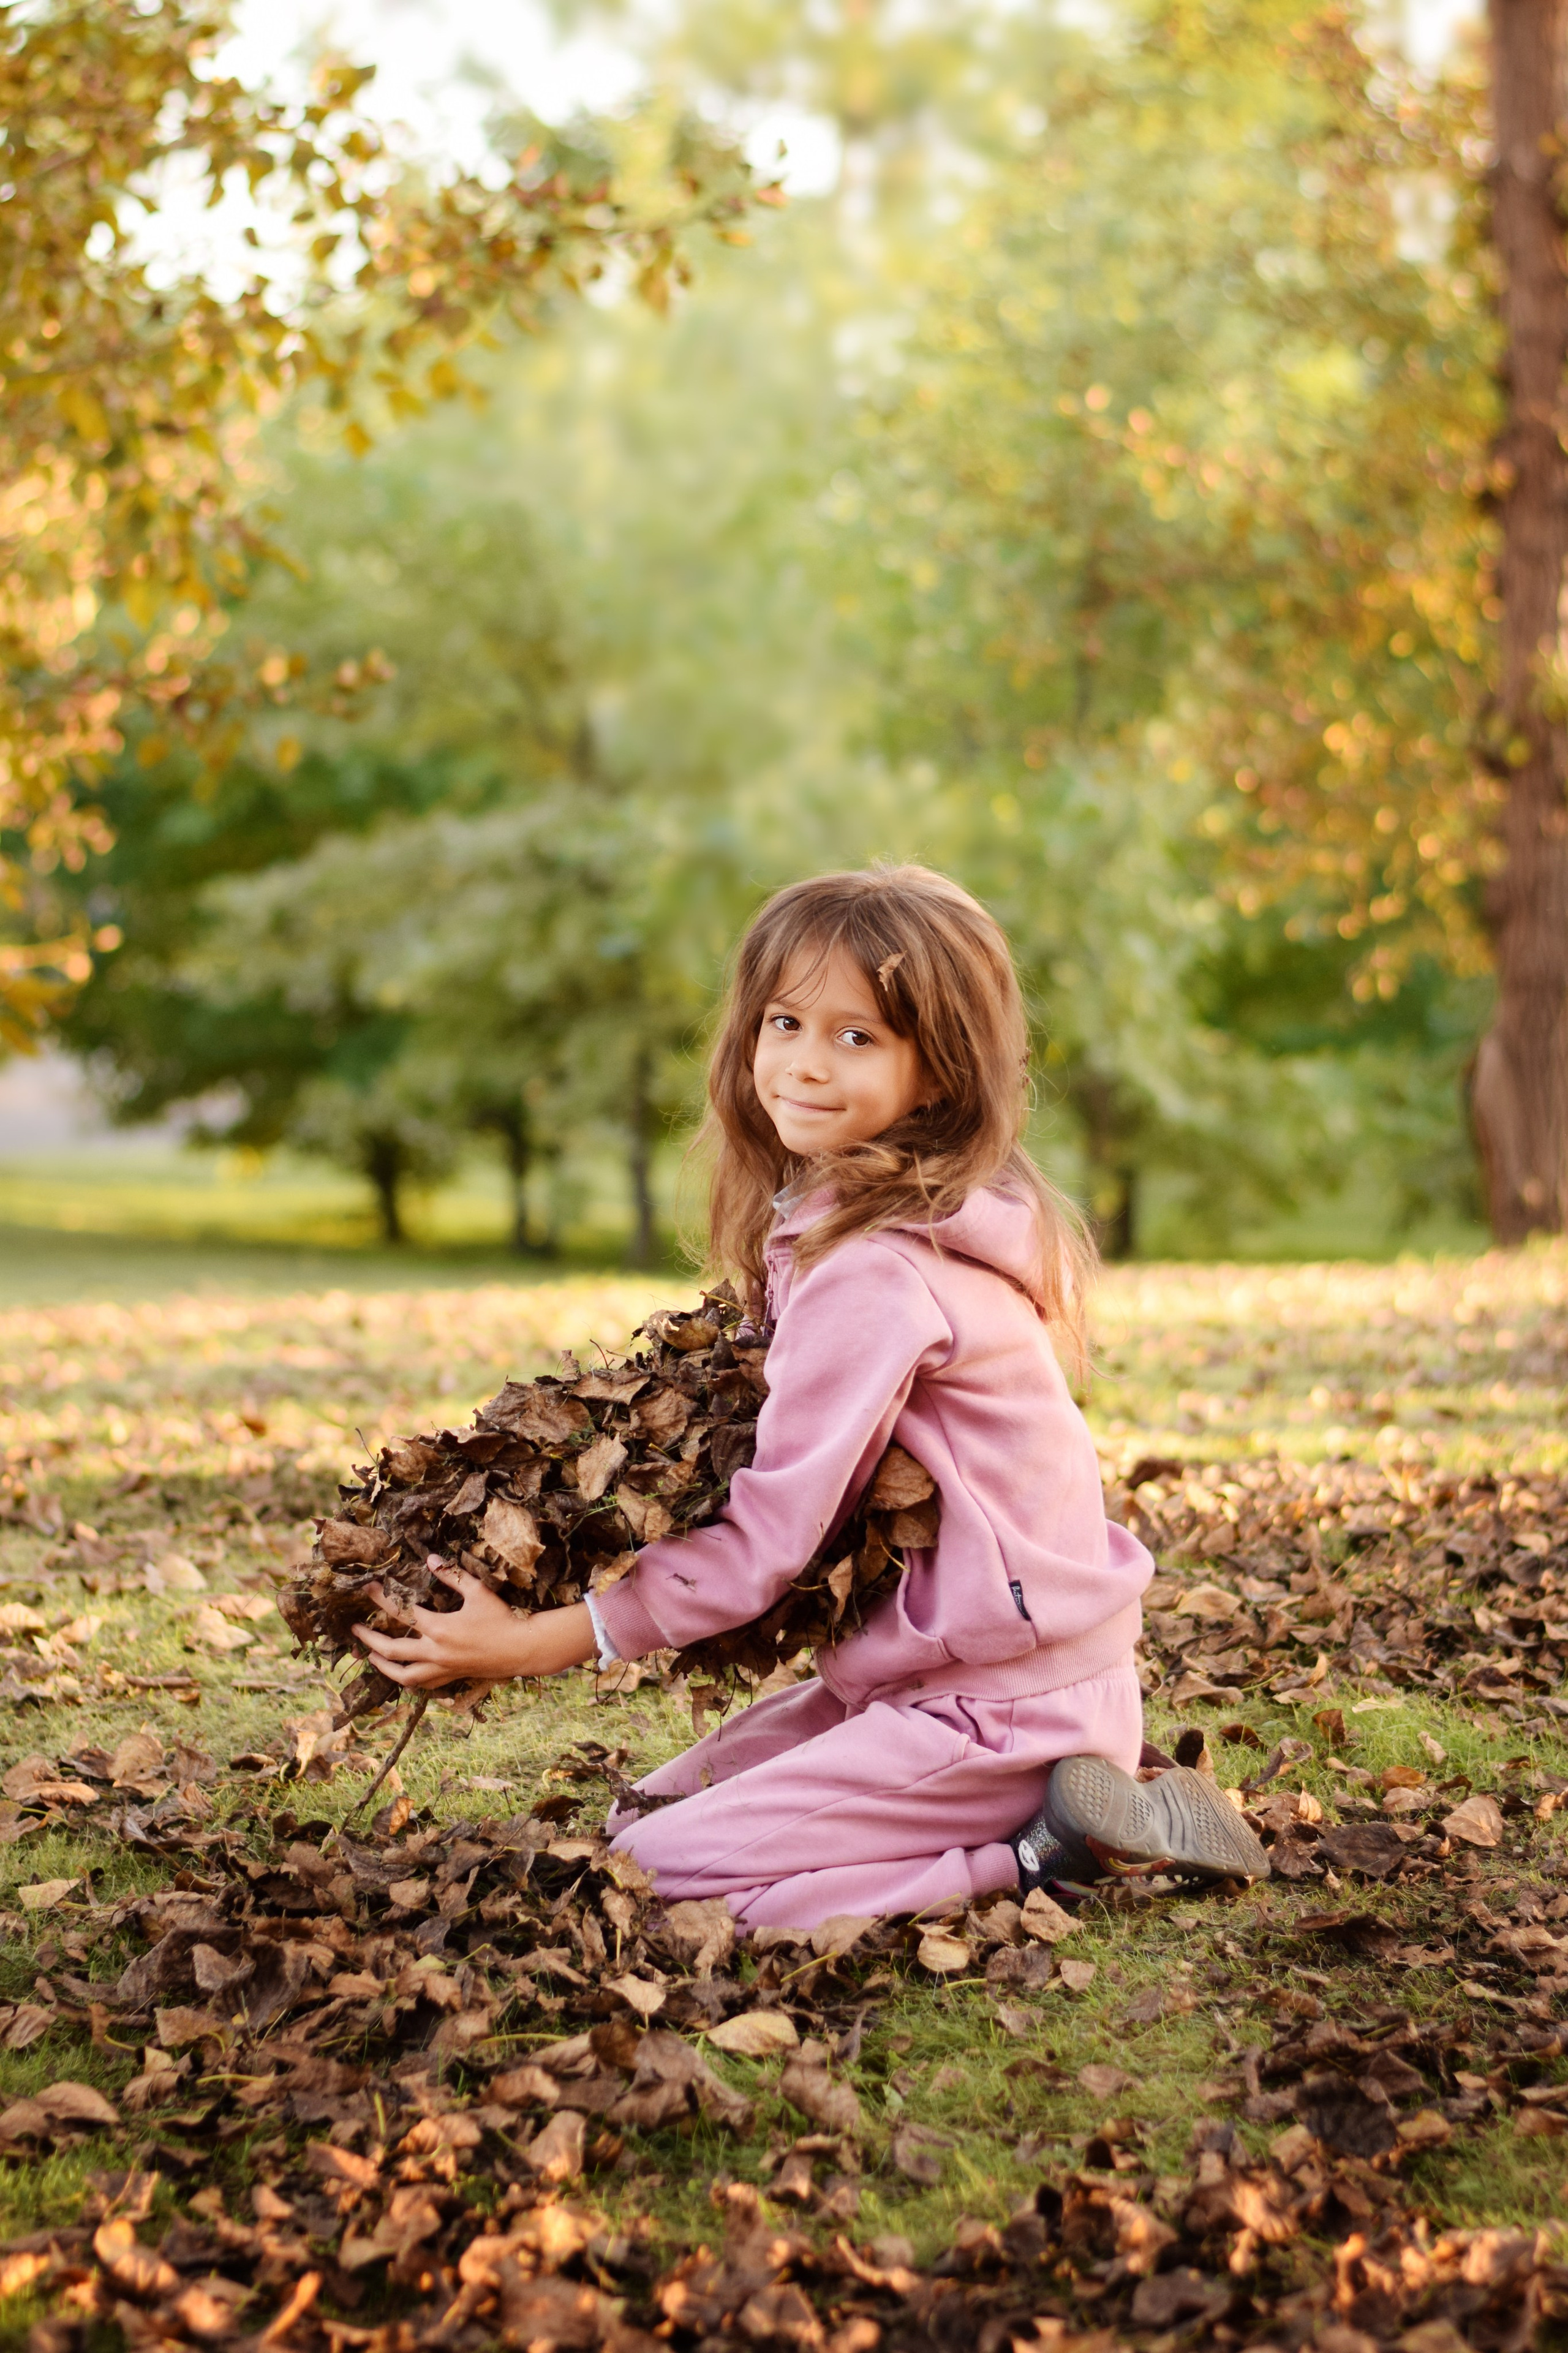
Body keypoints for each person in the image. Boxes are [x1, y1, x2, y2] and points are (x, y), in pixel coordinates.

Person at [356, 864, 1267, 1927]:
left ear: (938, 1073)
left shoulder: (878, 1272)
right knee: (643, 1816)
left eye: (857, 1037)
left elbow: (765, 1543)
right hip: (928, 1683)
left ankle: (1047, 1850)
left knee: (655, 1879)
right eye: (786, 1021)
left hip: (1004, 1708)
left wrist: (532, 1643)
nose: (802, 1063)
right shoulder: (866, 1217)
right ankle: (1048, 1811)